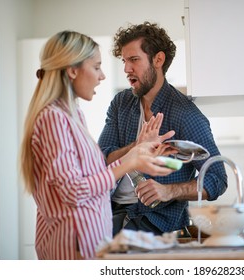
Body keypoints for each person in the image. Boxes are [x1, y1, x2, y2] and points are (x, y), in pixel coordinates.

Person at [19, 30, 175, 260]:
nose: (102, 76)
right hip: (71, 250)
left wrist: (137, 151)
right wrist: (129, 162)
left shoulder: (73, 117)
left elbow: (95, 182)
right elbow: (74, 191)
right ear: (73, 70)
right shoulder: (54, 118)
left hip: (89, 247)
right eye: (96, 67)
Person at [98, 22, 228, 236]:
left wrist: (168, 191)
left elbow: (217, 177)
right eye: (124, 61)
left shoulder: (185, 114)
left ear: (158, 60)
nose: (126, 69)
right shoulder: (121, 104)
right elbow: (102, 159)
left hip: (156, 224)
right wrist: (136, 147)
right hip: (108, 215)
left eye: (134, 60)